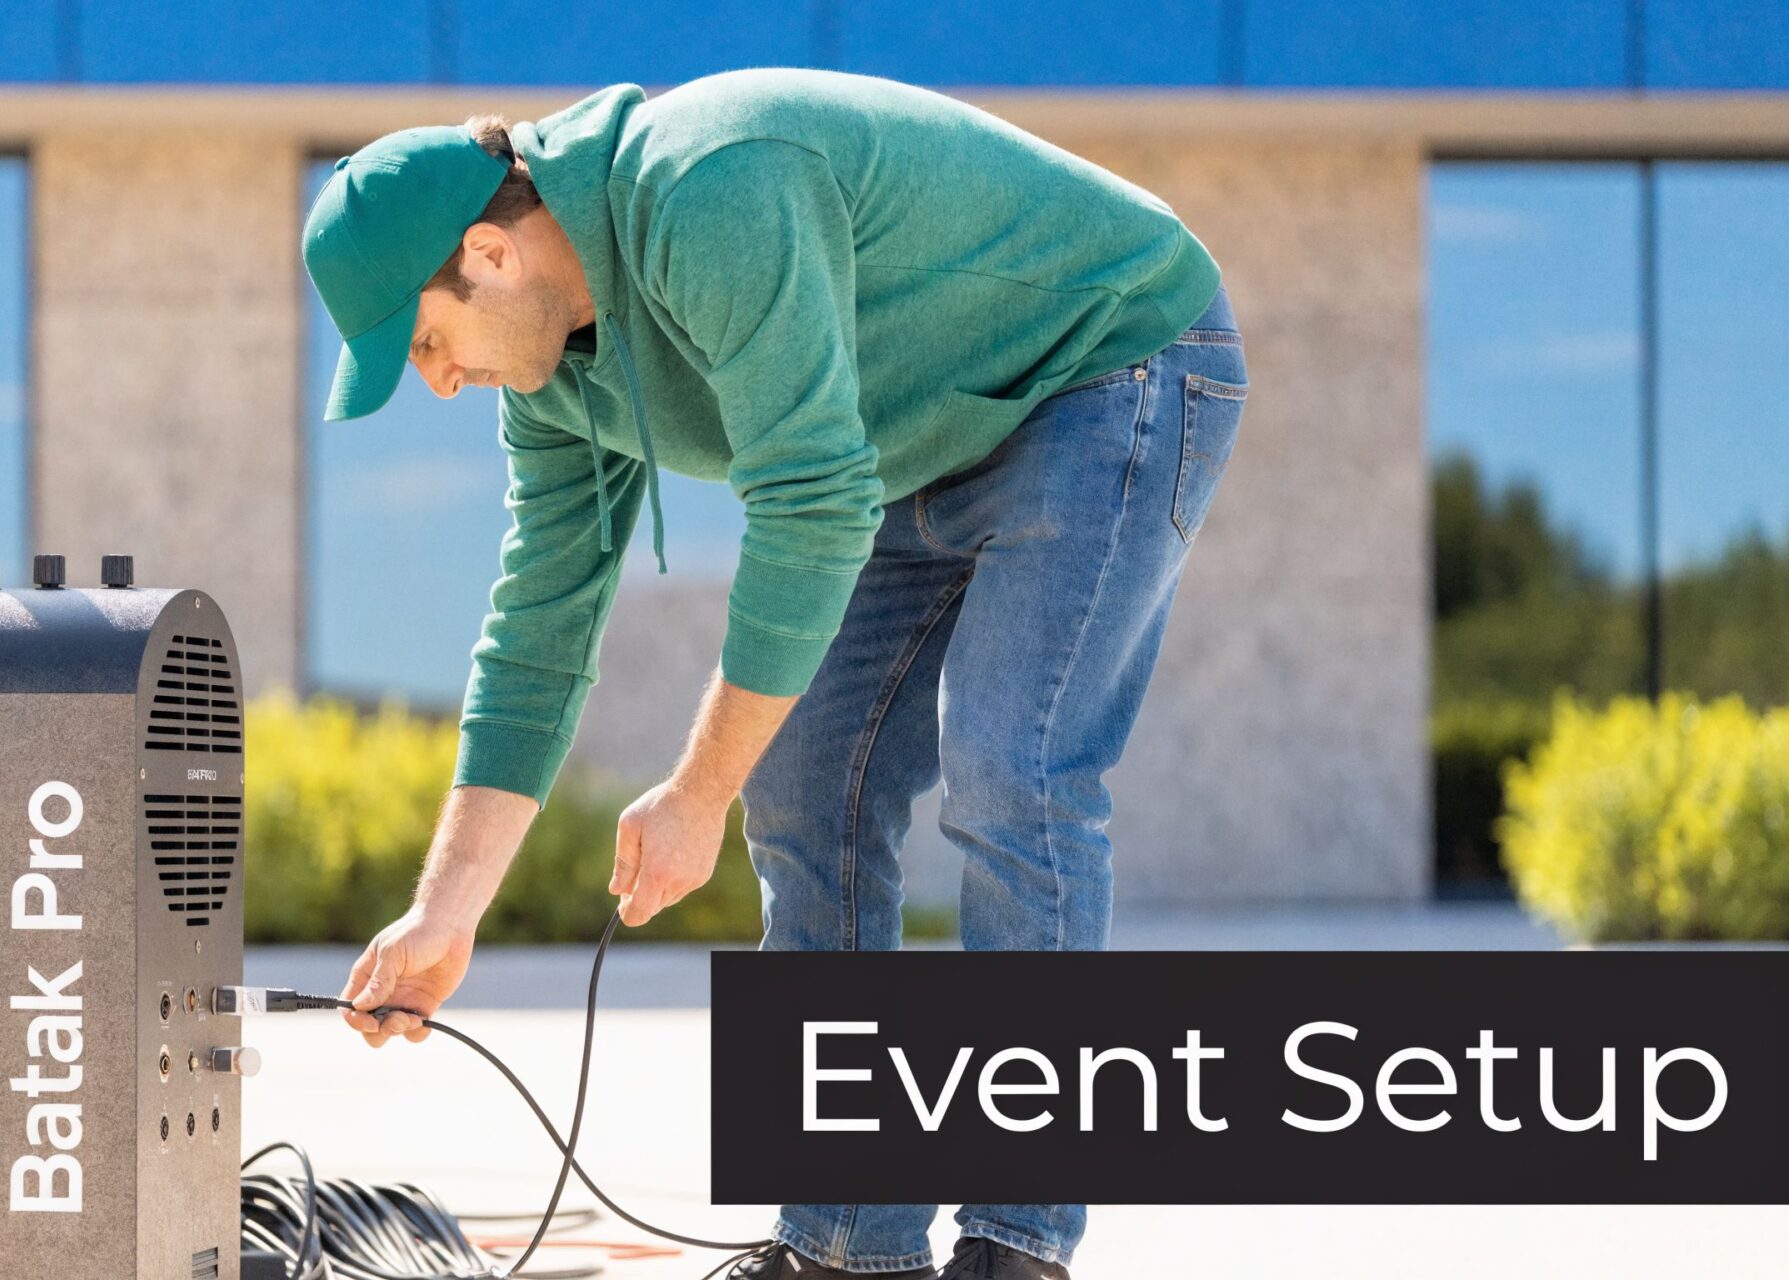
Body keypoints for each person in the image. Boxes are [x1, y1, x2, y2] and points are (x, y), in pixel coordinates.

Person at [299, 68, 1246, 1280]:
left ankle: (1019, 1240)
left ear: (488, 252)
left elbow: (810, 500)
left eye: (426, 340)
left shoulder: (708, 187)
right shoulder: (550, 383)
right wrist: (446, 912)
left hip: (1109, 362)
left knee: (1015, 770)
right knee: (806, 791)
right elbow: (539, 627)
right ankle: (846, 1244)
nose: (434, 377)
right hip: (915, 431)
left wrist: (693, 791)